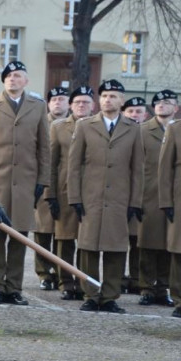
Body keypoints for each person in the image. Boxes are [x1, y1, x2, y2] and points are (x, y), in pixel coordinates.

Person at [0, 61, 50, 306]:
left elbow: (43, 147)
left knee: (20, 236)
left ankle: (14, 287)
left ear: (26, 81)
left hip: (26, 181)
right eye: (8, 76)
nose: (12, 79)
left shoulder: (38, 107)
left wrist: (42, 180)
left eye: (17, 75)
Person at [68, 79, 144, 313]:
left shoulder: (133, 128)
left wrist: (135, 202)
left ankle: (110, 296)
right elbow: (74, 165)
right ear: (99, 100)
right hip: (91, 196)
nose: (108, 99)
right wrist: (75, 198)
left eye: (113, 96)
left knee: (116, 248)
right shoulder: (85, 126)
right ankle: (91, 294)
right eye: (104, 96)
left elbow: (137, 168)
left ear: (122, 101)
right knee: (88, 247)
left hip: (120, 199)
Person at [48, 86, 94, 300]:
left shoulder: (98, 126)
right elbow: (51, 162)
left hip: (91, 191)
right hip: (64, 189)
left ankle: (84, 281)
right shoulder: (58, 127)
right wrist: (50, 194)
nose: (81, 105)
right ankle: (65, 281)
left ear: (93, 105)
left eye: (86, 102)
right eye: (77, 102)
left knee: (87, 240)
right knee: (65, 240)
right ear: (70, 105)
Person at [136, 91, 176, 307]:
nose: (161, 105)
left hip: (172, 194)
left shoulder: (176, 130)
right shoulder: (143, 130)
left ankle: (163, 287)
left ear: (176, 108)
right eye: (158, 102)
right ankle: (146, 288)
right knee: (148, 245)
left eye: (167, 102)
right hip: (149, 193)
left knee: (168, 245)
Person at [34, 87, 70, 289]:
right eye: (54, 99)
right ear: (49, 103)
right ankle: (43, 273)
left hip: (64, 184)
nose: (58, 103)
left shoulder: (75, 124)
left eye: (62, 99)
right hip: (44, 181)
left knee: (63, 232)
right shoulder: (41, 123)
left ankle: (60, 272)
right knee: (43, 230)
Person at [121, 96, 148, 292]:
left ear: (145, 115)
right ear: (124, 113)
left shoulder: (149, 133)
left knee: (139, 241)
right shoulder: (121, 133)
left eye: (138, 111)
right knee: (121, 240)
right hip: (123, 194)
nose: (134, 115)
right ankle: (120, 279)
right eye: (130, 111)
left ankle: (138, 279)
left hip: (146, 195)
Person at [158, 109, 181, 318]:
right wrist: (166, 202)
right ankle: (179, 299)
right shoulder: (175, 129)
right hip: (179, 199)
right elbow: (165, 168)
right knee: (179, 252)